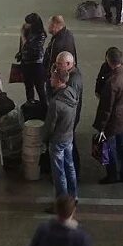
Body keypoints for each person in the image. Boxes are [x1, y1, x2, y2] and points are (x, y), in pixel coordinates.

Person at [93, 46, 123, 184]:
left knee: (107, 148)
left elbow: (106, 108)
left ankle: (112, 174)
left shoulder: (112, 83)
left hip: (112, 120)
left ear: (109, 61)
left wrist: (102, 127)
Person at [44, 63, 80, 202]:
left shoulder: (55, 103)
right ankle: (73, 195)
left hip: (57, 140)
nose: (50, 80)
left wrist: (44, 139)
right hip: (68, 136)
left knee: (59, 173)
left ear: (59, 80)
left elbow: (50, 126)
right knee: (70, 166)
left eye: (52, 77)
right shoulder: (72, 92)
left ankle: (62, 202)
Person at [16, 13, 47, 108]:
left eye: (28, 23)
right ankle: (30, 105)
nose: (25, 25)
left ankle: (44, 108)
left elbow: (32, 48)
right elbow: (22, 45)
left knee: (40, 87)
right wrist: (20, 53)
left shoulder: (41, 34)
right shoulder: (26, 30)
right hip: (26, 62)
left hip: (36, 64)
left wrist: (23, 36)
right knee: (28, 86)